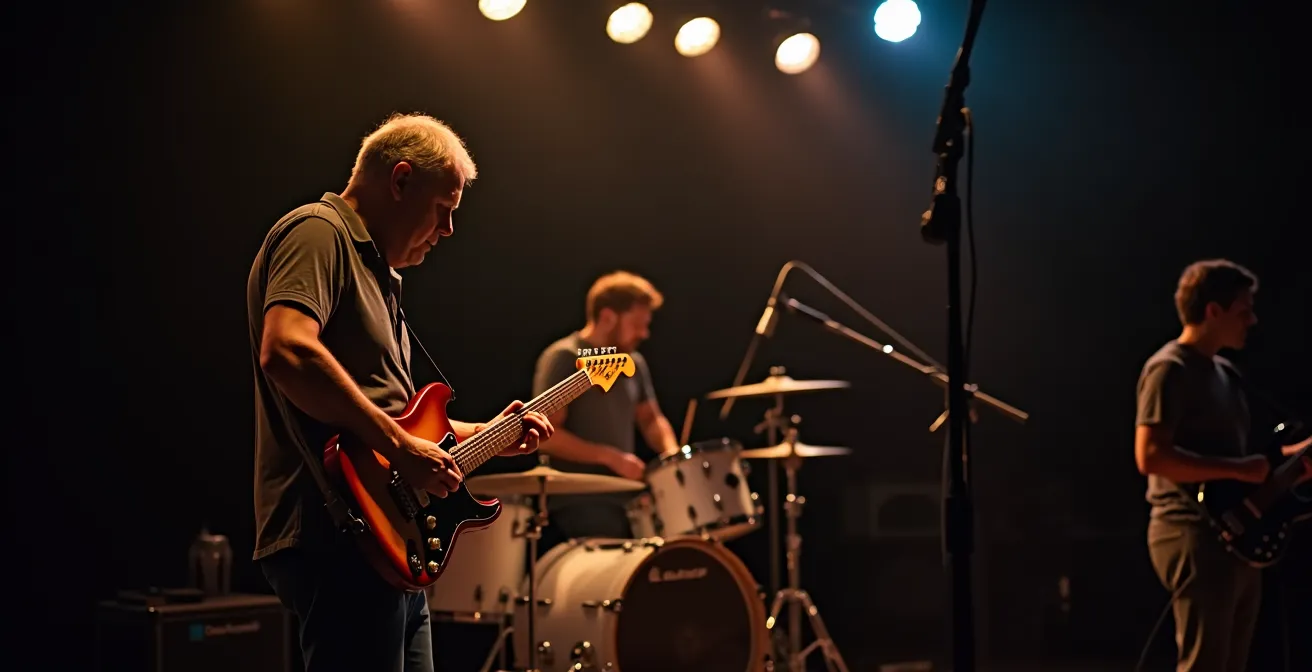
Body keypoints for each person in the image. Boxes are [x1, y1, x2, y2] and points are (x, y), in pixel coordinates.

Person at [247, 112, 554, 672]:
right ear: (401, 180)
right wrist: (402, 446)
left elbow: (398, 417)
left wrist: (492, 435)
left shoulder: (380, 279)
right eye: (444, 210)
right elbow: (286, 350)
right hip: (337, 530)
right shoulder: (318, 231)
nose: (448, 231)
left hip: (388, 540)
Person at [1134, 258, 1311, 672]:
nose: (1252, 320)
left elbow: (1254, 463)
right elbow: (1150, 456)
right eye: (1243, 309)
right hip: (1191, 531)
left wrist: (1295, 458)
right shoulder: (1169, 369)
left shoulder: (1226, 373)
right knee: (1205, 662)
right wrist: (1237, 470)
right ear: (1213, 311)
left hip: (1236, 534)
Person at [531, 271, 681, 542]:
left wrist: (673, 457)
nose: (644, 334)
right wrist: (610, 457)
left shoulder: (633, 361)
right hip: (578, 502)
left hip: (626, 499)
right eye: (637, 324)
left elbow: (650, 418)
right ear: (608, 316)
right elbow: (546, 436)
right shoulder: (565, 357)